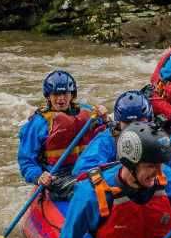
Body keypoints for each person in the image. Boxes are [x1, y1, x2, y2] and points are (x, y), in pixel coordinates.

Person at [74, 90, 171, 186]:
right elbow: (83, 174)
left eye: (139, 122)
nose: (133, 128)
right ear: (118, 122)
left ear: (149, 121)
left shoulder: (158, 140)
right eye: (128, 123)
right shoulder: (107, 140)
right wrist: (124, 173)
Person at [16, 70, 106, 200]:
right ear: (48, 96)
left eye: (65, 93)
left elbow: (107, 135)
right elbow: (26, 160)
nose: (61, 98)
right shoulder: (39, 123)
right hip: (57, 176)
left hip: (88, 167)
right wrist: (38, 176)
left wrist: (105, 118)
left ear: (72, 95)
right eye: (56, 94)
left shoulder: (88, 112)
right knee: (86, 191)